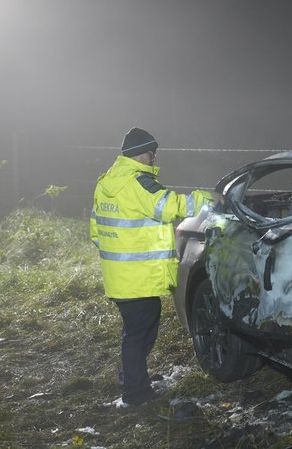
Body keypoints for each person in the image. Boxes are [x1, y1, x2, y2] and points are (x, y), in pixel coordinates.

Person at [90, 127, 217, 406]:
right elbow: (169, 206)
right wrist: (207, 199)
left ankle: (132, 377)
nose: (154, 159)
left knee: (133, 331)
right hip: (137, 278)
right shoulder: (139, 182)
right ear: (140, 153)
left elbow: (96, 231)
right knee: (139, 333)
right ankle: (136, 394)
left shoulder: (107, 181)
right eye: (151, 153)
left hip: (120, 277)